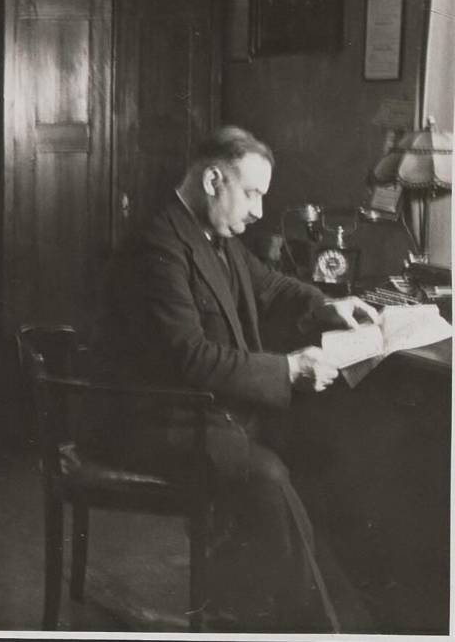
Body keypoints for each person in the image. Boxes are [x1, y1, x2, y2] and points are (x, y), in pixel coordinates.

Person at [89, 126, 379, 632]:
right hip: (153, 420)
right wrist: (289, 368)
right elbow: (191, 358)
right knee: (268, 477)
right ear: (212, 181)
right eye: (251, 194)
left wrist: (327, 305)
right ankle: (310, 628)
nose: (259, 211)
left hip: (204, 412)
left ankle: (250, 601)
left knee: (320, 449)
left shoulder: (215, 237)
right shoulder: (157, 246)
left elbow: (272, 287)